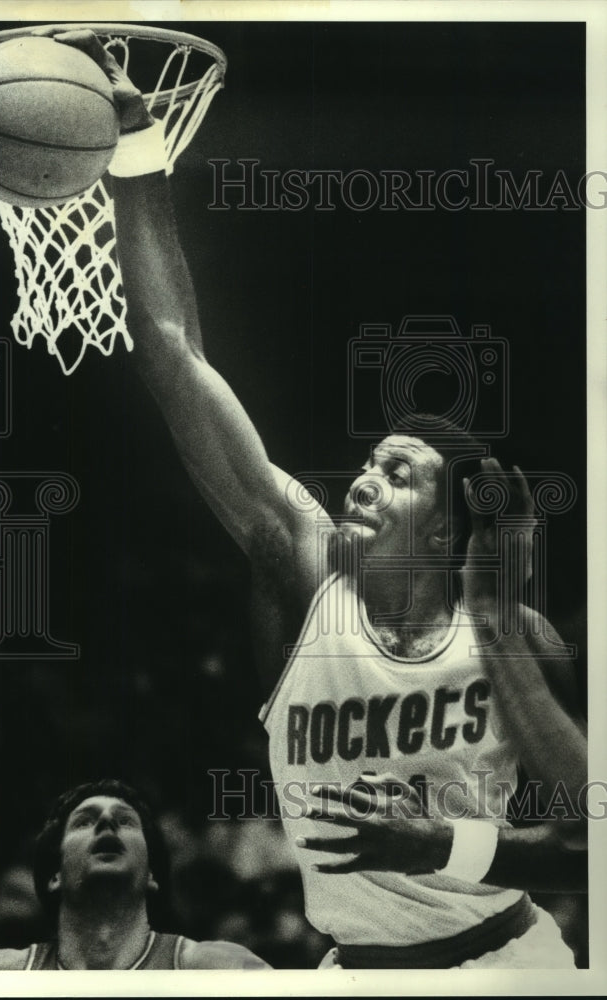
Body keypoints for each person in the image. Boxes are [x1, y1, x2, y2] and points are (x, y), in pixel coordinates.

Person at [35, 31, 587, 970]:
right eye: (369, 461)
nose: (366, 476)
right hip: (347, 965)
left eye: (402, 472)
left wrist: (438, 848)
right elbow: (174, 352)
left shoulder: (509, 634)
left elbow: (588, 847)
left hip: (503, 962)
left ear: (448, 529)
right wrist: (135, 149)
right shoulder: (300, 561)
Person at [0, 779, 270, 970]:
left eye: (126, 821)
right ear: (54, 875)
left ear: (151, 875)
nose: (107, 823)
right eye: (84, 821)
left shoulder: (220, 968)